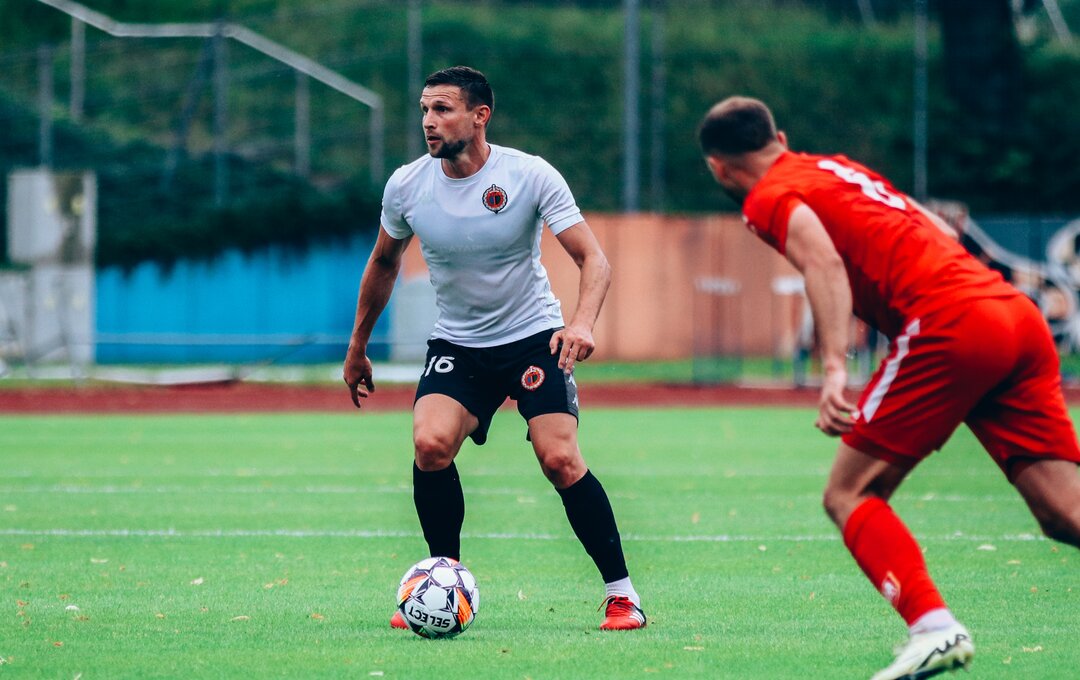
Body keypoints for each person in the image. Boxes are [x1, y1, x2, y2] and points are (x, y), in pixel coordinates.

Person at [698, 96, 1080, 680]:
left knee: (849, 494)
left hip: (950, 322)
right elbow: (933, 226)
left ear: (718, 167)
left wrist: (832, 368)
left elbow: (823, 263)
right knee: (1064, 512)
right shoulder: (835, 167)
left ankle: (933, 628)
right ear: (782, 137)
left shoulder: (768, 196)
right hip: (1012, 312)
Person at [343, 66, 646, 631]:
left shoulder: (529, 175)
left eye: (443, 109)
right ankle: (442, 585)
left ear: (480, 116)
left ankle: (623, 595)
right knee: (430, 445)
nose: (429, 121)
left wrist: (581, 324)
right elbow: (384, 262)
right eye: (425, 109)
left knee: (559, 459)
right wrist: (358, 345)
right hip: (459, 344)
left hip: (534, 339)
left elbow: (593, 259)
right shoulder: (407, 185)